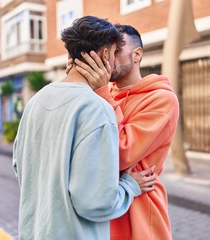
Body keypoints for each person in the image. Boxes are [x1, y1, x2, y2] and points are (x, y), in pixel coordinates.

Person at [12, 17, 156, 240]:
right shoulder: (96, 108)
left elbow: (19, 166)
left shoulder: (36, 101)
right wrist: (129, 186)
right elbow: (94, 202)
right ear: (106, 55)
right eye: (114, 52)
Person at [72, 24, 179, 240]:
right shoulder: (104, 94)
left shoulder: (161, 99)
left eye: (117, 51)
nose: (108, 59)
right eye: (107, 51)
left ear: (137, 54)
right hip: (105, 205)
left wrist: (101, 93)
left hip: (139, 210)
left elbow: (120, 153)